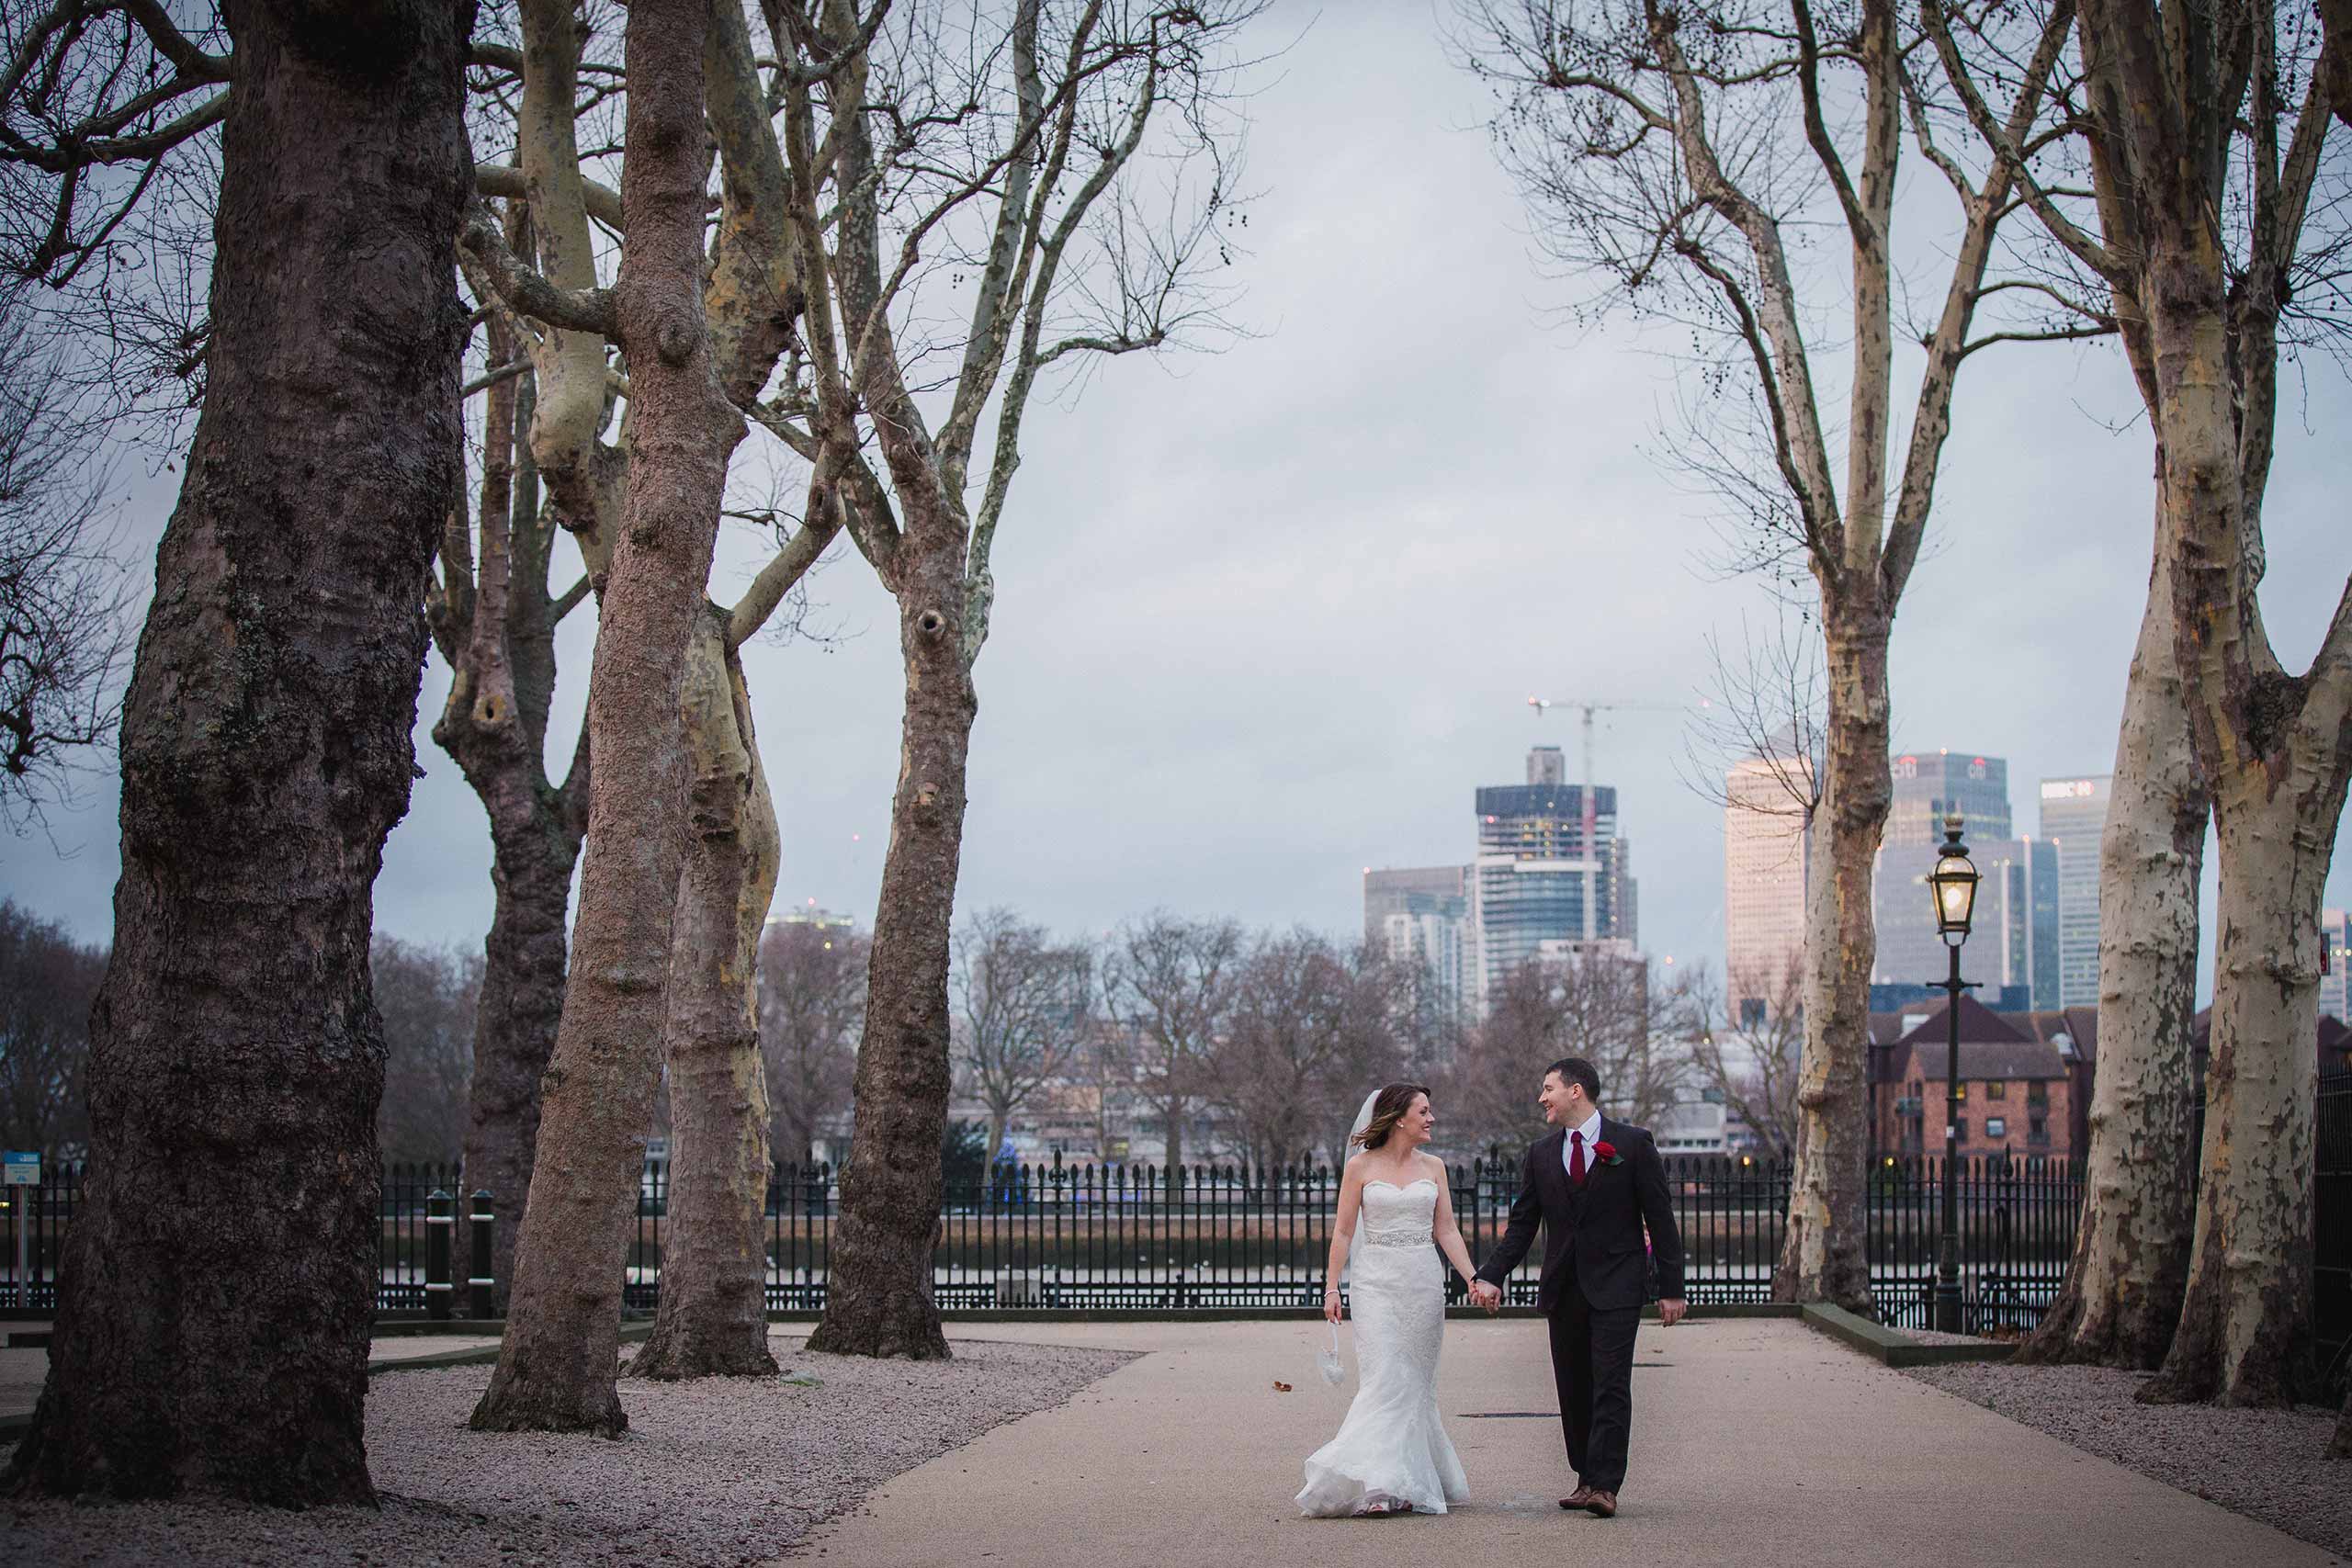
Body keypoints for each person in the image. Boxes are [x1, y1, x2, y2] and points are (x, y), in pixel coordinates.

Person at [1470, 1055, 1685, 1519]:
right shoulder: (1541, 1154)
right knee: (1572, 1387)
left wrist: (1672, 1287)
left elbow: (1661, 1220)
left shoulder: (1633, 1143)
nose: (1541, 1097)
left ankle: (1606, 1485)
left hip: (1619, 1287)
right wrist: (1491, 1274)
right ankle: (1585, 1477)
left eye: (1548, 1088)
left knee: (1611, 1384)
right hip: (1564, 1289)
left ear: (1576, 1091)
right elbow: (1523, 1226)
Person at [1295, 1083, 1480, 1517]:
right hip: (1375, 1285)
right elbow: (1342, 1232)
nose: (1431, 1118)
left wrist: (1472, 1277)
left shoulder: (1434, 1167)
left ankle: (1410, 1478)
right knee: (1384, 1381)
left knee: (1416, 1384)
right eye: (1424, 1111)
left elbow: (1447, 1230)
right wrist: (1332, 1286)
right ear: (1399, 1117)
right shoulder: (1360, 1167)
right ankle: (1378, 1485)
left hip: (1422, 1285)